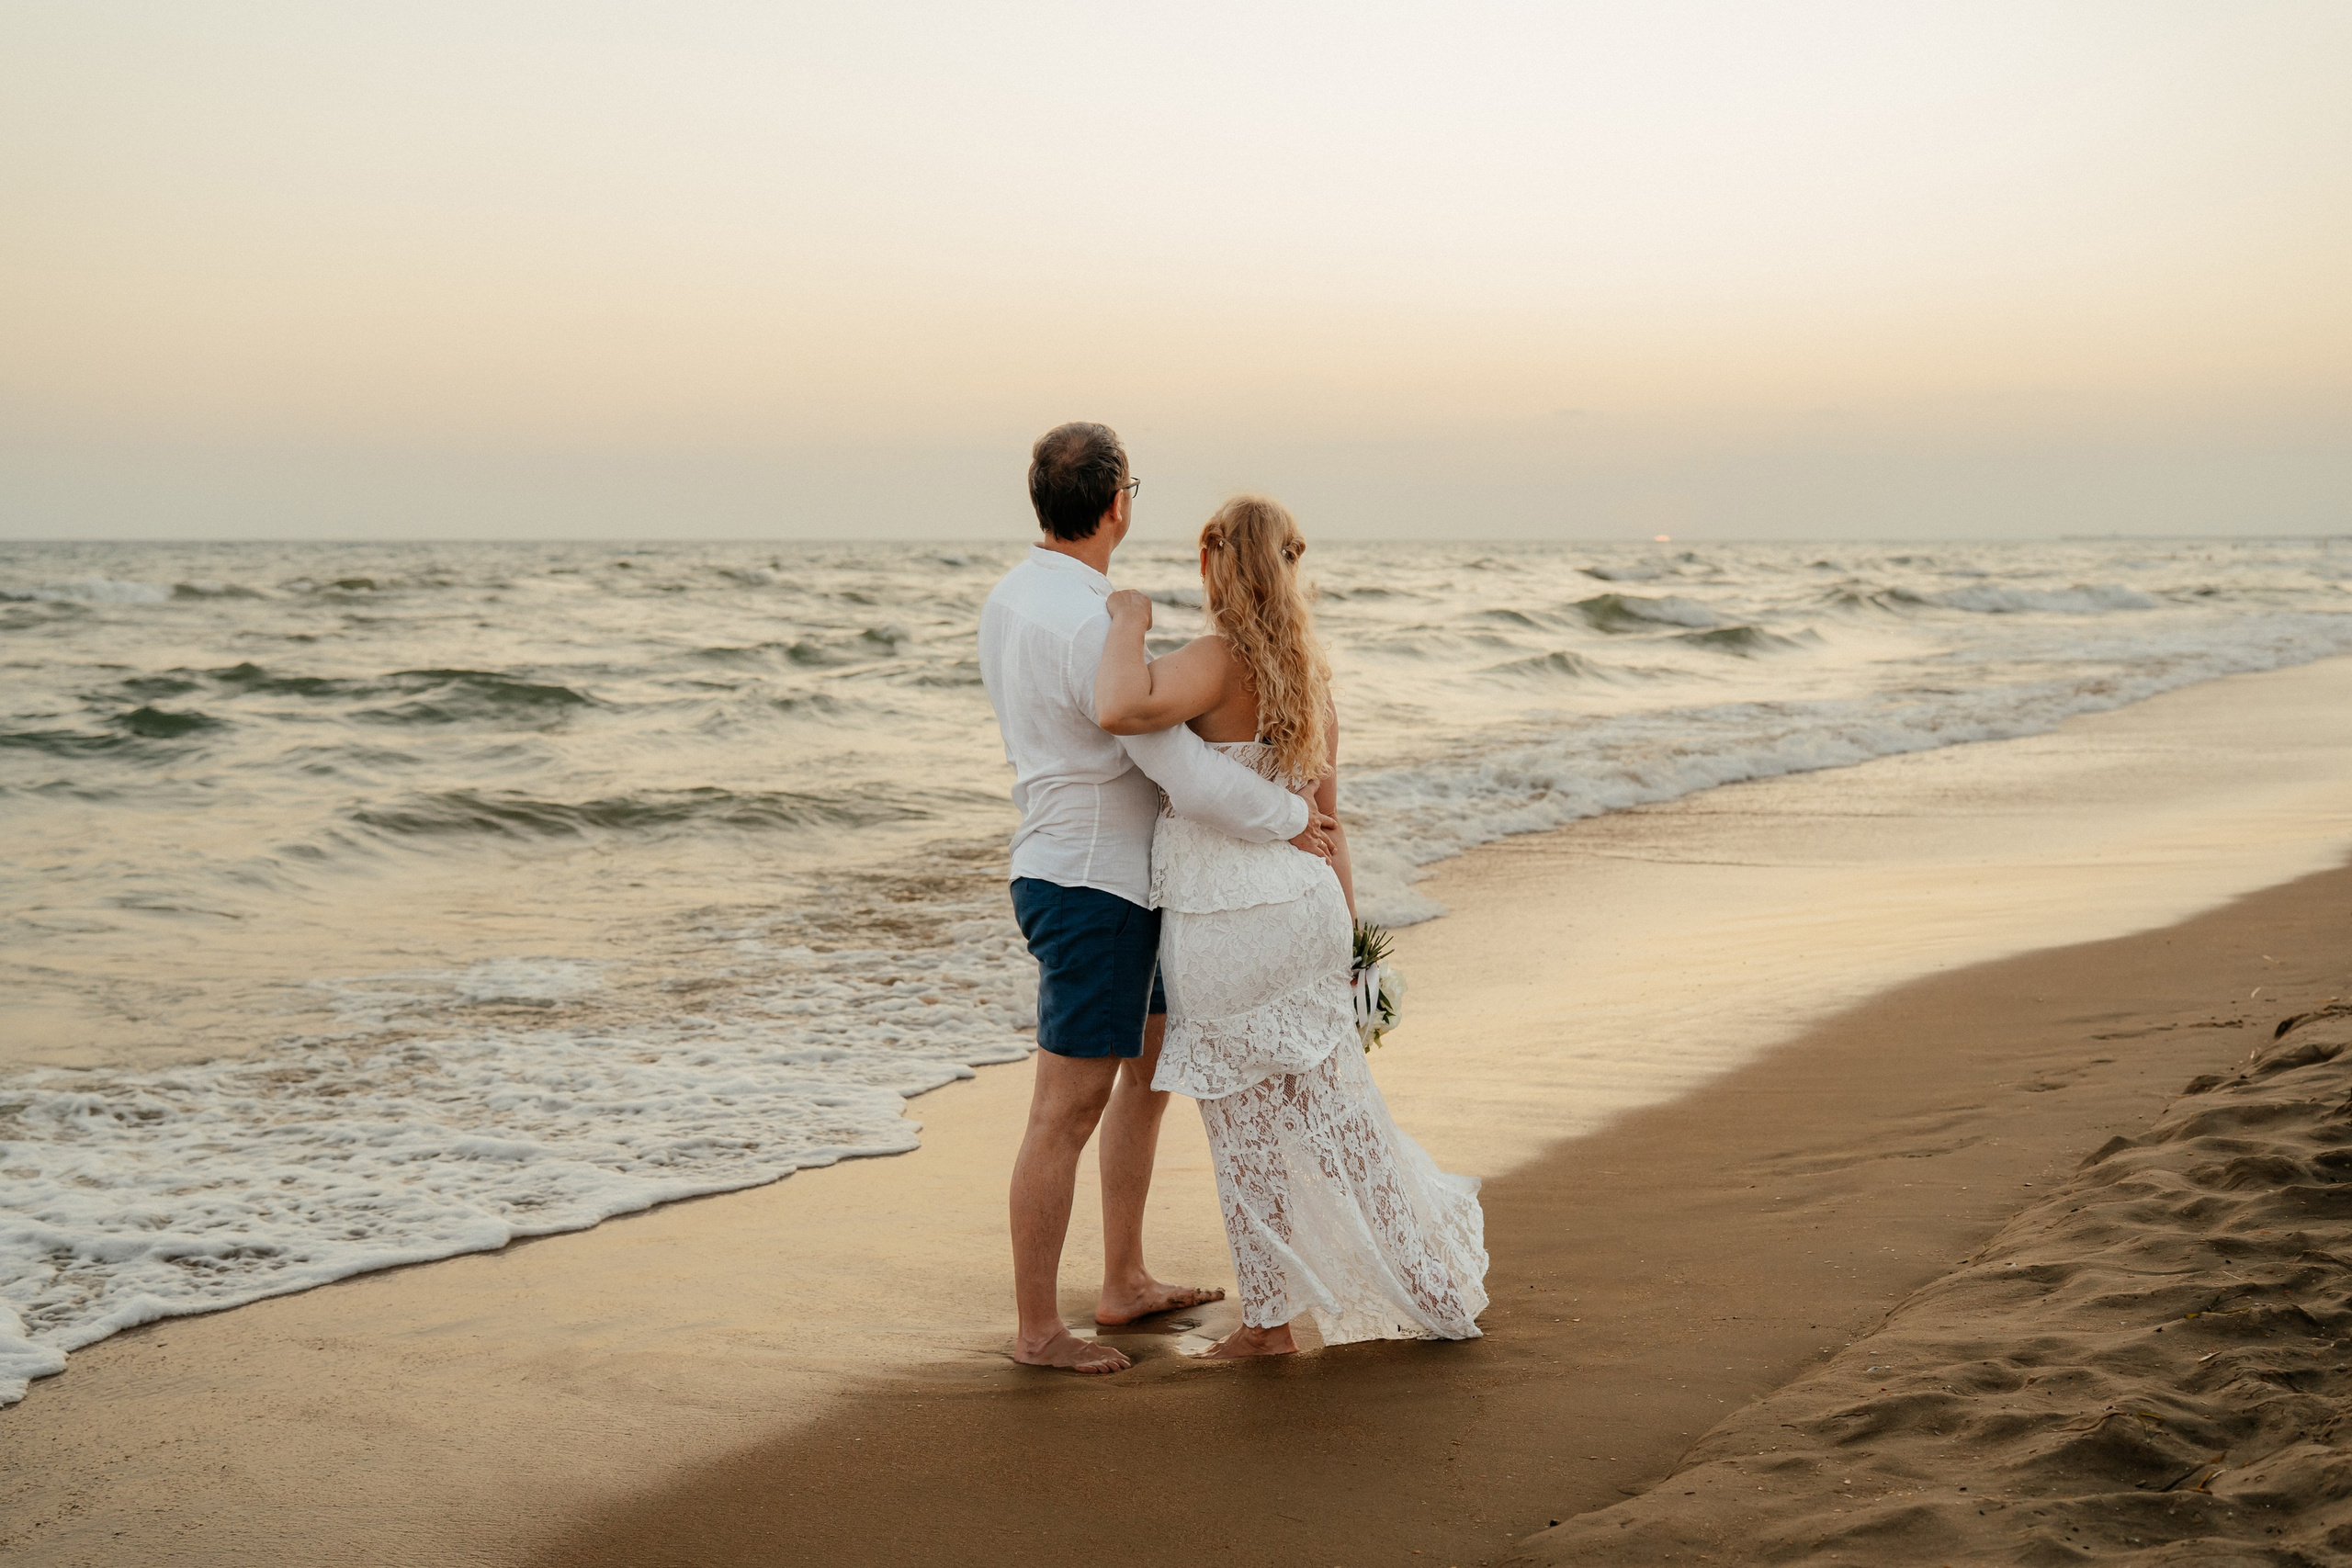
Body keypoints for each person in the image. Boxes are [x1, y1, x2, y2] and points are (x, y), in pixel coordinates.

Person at [978, 423, 1340, 1374]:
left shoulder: (1009, 599)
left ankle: (1124, 1279)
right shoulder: (1101, 621)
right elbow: (1173, 761)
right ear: (1117, 505)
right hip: (1098, 882)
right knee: (1067, 1106)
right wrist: (1285, 818)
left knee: (1141, 1080)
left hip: (1088, 869)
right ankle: (1037, 1331)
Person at [1093, 493, 1487, 1358]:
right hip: (1306, 912)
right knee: (1343, 1113)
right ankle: (1432, 1286)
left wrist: (1124, 620)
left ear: (1213, 563)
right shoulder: (1310, 678)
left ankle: (1266, 1326)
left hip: (1228, 921)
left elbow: (1123, 705)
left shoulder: (1213, 661)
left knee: (1243, 1131)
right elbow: (1330, 823)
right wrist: (1350, 950)